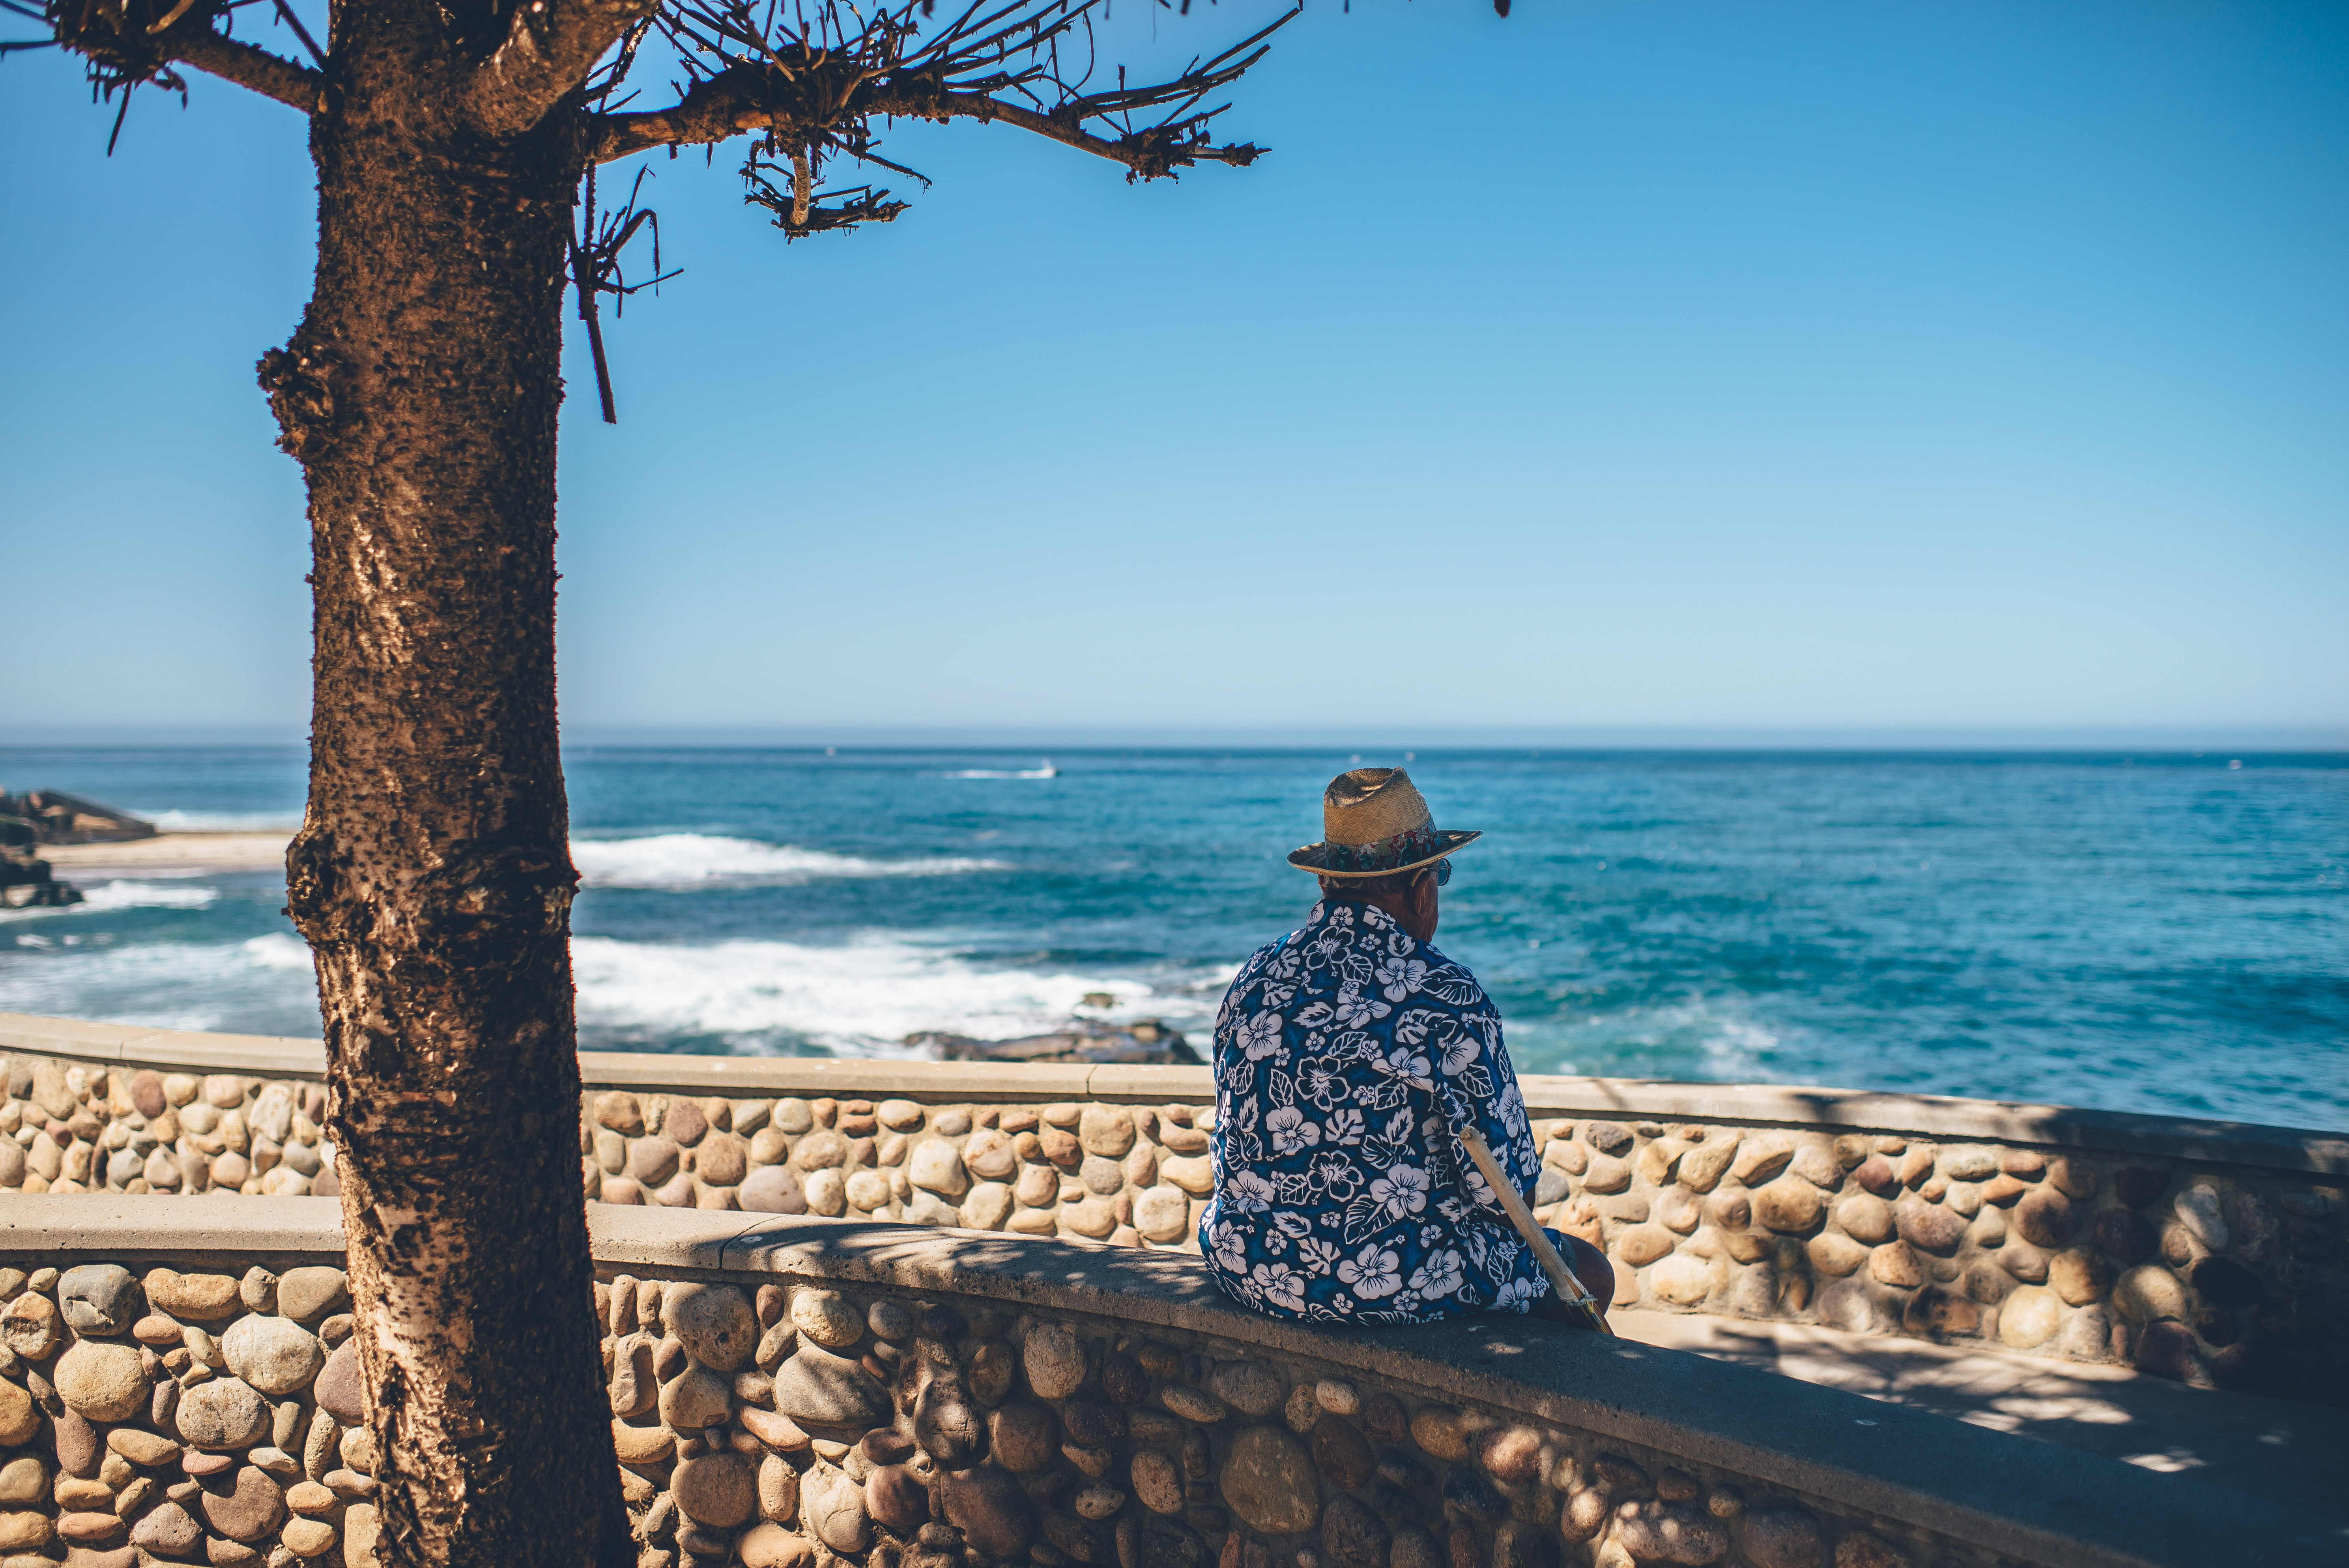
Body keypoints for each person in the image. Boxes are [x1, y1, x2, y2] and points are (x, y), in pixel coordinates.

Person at [1197, 766, 1612, 1326]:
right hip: (1387, 1287)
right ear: (1421, 888)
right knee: (1588, 1271)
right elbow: (1507, 1191)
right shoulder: (1444, 994)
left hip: (1249, 1265)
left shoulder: (1258, 973)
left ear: (1326, 882)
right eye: (1440, 875)